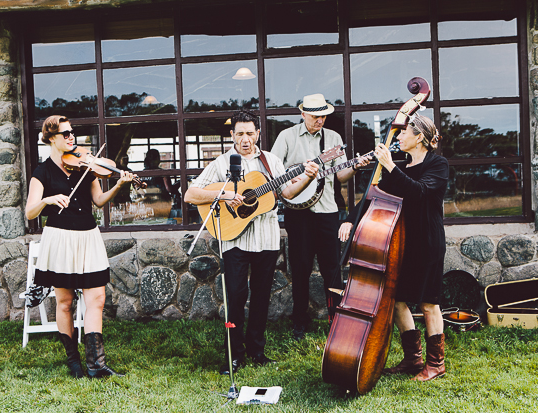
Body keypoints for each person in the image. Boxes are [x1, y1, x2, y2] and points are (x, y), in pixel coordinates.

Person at [184, 110, 320, 375]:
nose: (245, 139)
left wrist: (308, 176)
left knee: (260, 297)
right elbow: (191, 193)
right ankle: (234, 356)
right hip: (234, 238)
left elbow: (288, 191)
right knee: (235, 296)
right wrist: (224, 196)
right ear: (232, 135)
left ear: (258, 133)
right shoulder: (222, 162)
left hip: (266, 238)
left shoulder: (271, 161)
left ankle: (257, 351)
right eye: (240, 133)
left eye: (250, 133)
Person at [338, 114, 449, 382]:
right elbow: (372, 197)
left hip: (428, 242)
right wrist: (350, 221)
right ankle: (413, 359)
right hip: (402, 243)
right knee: (397, 300)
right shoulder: (401, 167)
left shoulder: (438, 164)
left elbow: (419, 192)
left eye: (403, 133)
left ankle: (436, 364)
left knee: (428, 303)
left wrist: (389, 165)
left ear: (419, 137)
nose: (398, 138)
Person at [25, 115, 136, 379]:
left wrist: (119, 183)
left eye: (72, 132)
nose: (71, 137)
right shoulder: (42, 172)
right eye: (65, 134)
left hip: (88, 236)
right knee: (64, 302)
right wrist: (49, 200)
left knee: (96, 299)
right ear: (51, 138)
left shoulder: (86, 166)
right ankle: (73, 361)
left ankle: (96, 364)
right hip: (60, 238)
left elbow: (98, 200)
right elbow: (30, 212)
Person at [270, 93, 368, 340]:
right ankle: (299, 323)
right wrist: (297, 178)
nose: (320, 120)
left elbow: (341, 176)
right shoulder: (287, 137)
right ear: (303, 114)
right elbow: (273, 171)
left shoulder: (333, 139)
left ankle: (336, 319)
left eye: (323, 116)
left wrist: (355, 165)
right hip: (298, 214)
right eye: (315, 116)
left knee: (332, 269)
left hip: (327, 212)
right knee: (300, 269)